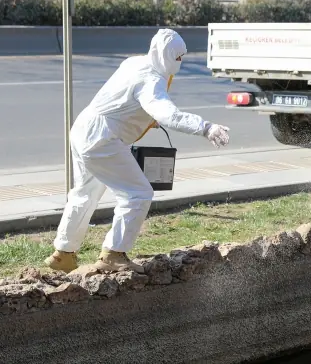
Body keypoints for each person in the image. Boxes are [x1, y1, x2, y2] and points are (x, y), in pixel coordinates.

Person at [44, 29, 230, 275]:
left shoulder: (134, 62)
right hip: (103, 140)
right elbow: (168, 114)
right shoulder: (151, 81)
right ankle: (113, 253)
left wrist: (145, 118)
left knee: (85, 193)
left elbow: (122, 100)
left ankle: (63, 254)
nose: (180, 62)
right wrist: (205, 127)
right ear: (166, 55)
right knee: (138, 193)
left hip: (83, 130)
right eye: (178, 57)